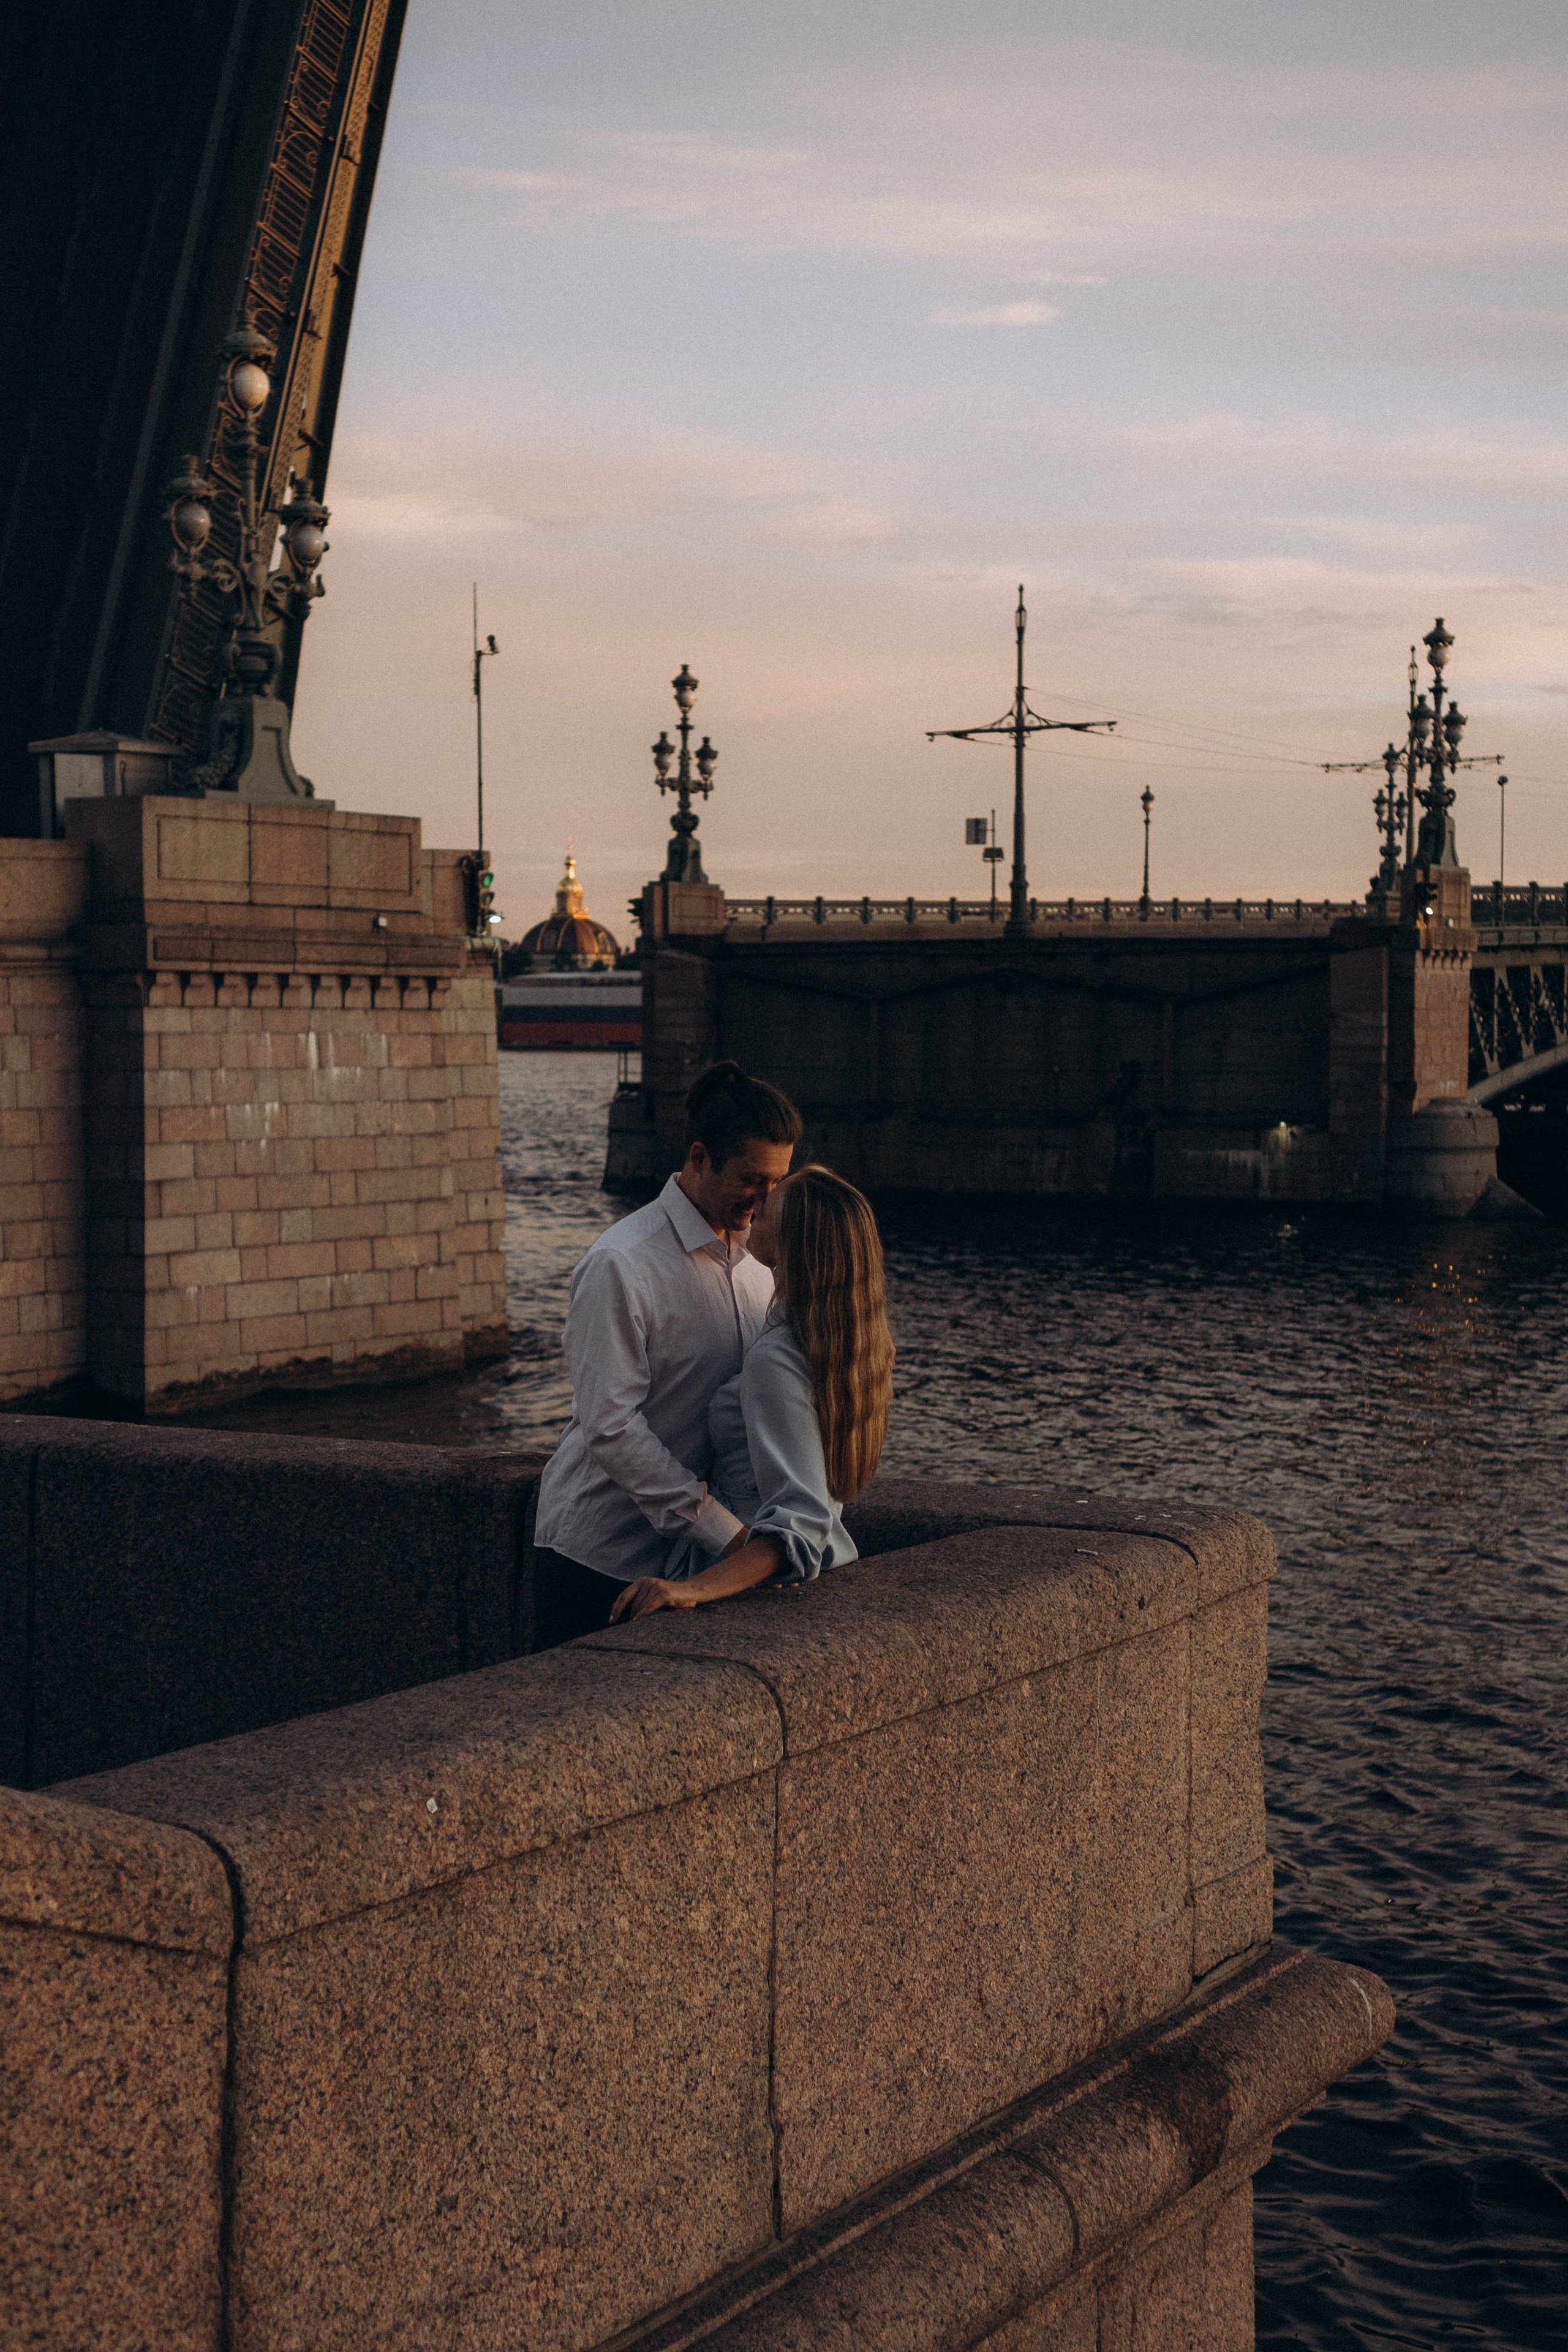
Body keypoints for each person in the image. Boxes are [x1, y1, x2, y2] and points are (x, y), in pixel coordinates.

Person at [531, 1061, 802, 1646]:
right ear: (700, 1158)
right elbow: (610, 1426)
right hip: (600, 1557)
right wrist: (730, 1536)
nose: (767, 1199)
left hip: (697, 1566)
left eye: (779, 1182)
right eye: (753, 1180)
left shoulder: (762, 1262)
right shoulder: (622, 1263)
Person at [609, 1163, 895, 1621]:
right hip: (829, 1569)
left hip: (749, 1582)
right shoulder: (838, 1342)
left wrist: (690, 1589)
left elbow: (797, 1524)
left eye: (770, 1209)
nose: (757, 1205)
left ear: (794, 1243)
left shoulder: (778, 1357)